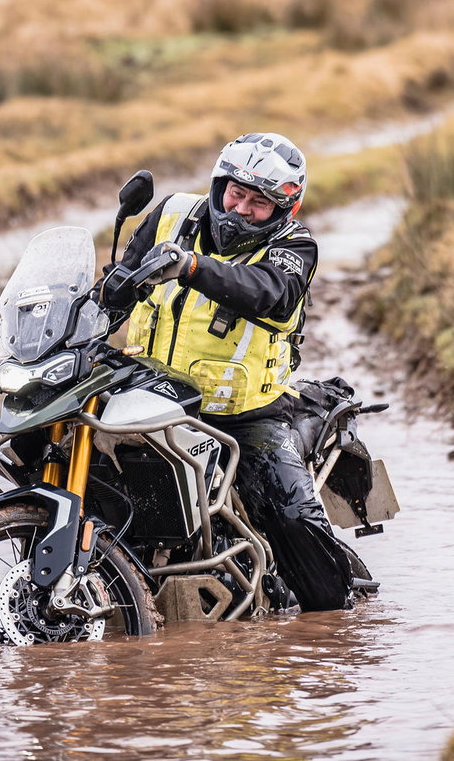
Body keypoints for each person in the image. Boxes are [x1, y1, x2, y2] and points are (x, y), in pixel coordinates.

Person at [97, 132, 353, 611]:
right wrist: (94, 310)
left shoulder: (294, 247)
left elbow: (267, 292)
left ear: (283, 210)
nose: (240, 208)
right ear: (219, 185)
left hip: (243, 414)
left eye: (259, 202)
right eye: (236, 193)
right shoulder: (172, 213)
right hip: (152, 396)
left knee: (295, 517)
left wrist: (191, 266)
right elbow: (121, 285)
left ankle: (335, 630)